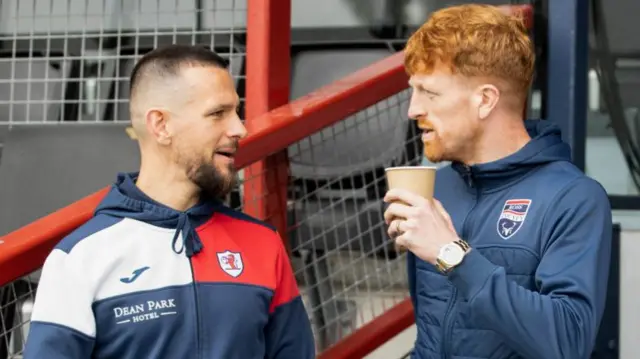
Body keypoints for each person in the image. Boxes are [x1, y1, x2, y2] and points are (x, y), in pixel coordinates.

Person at [24, 45, 315, 359]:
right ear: (160, 125)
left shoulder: (263, 244)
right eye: (218, 113)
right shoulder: (80, 258)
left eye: (236, 112)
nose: (239, 128)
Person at [383, 4, 612, 359]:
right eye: (413, 92)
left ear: (486, 100)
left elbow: (569, 343)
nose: (413, 110)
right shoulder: (437, 188)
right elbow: (432, 330)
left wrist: (451, 254)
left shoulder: (574, 198)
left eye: (429, 93)